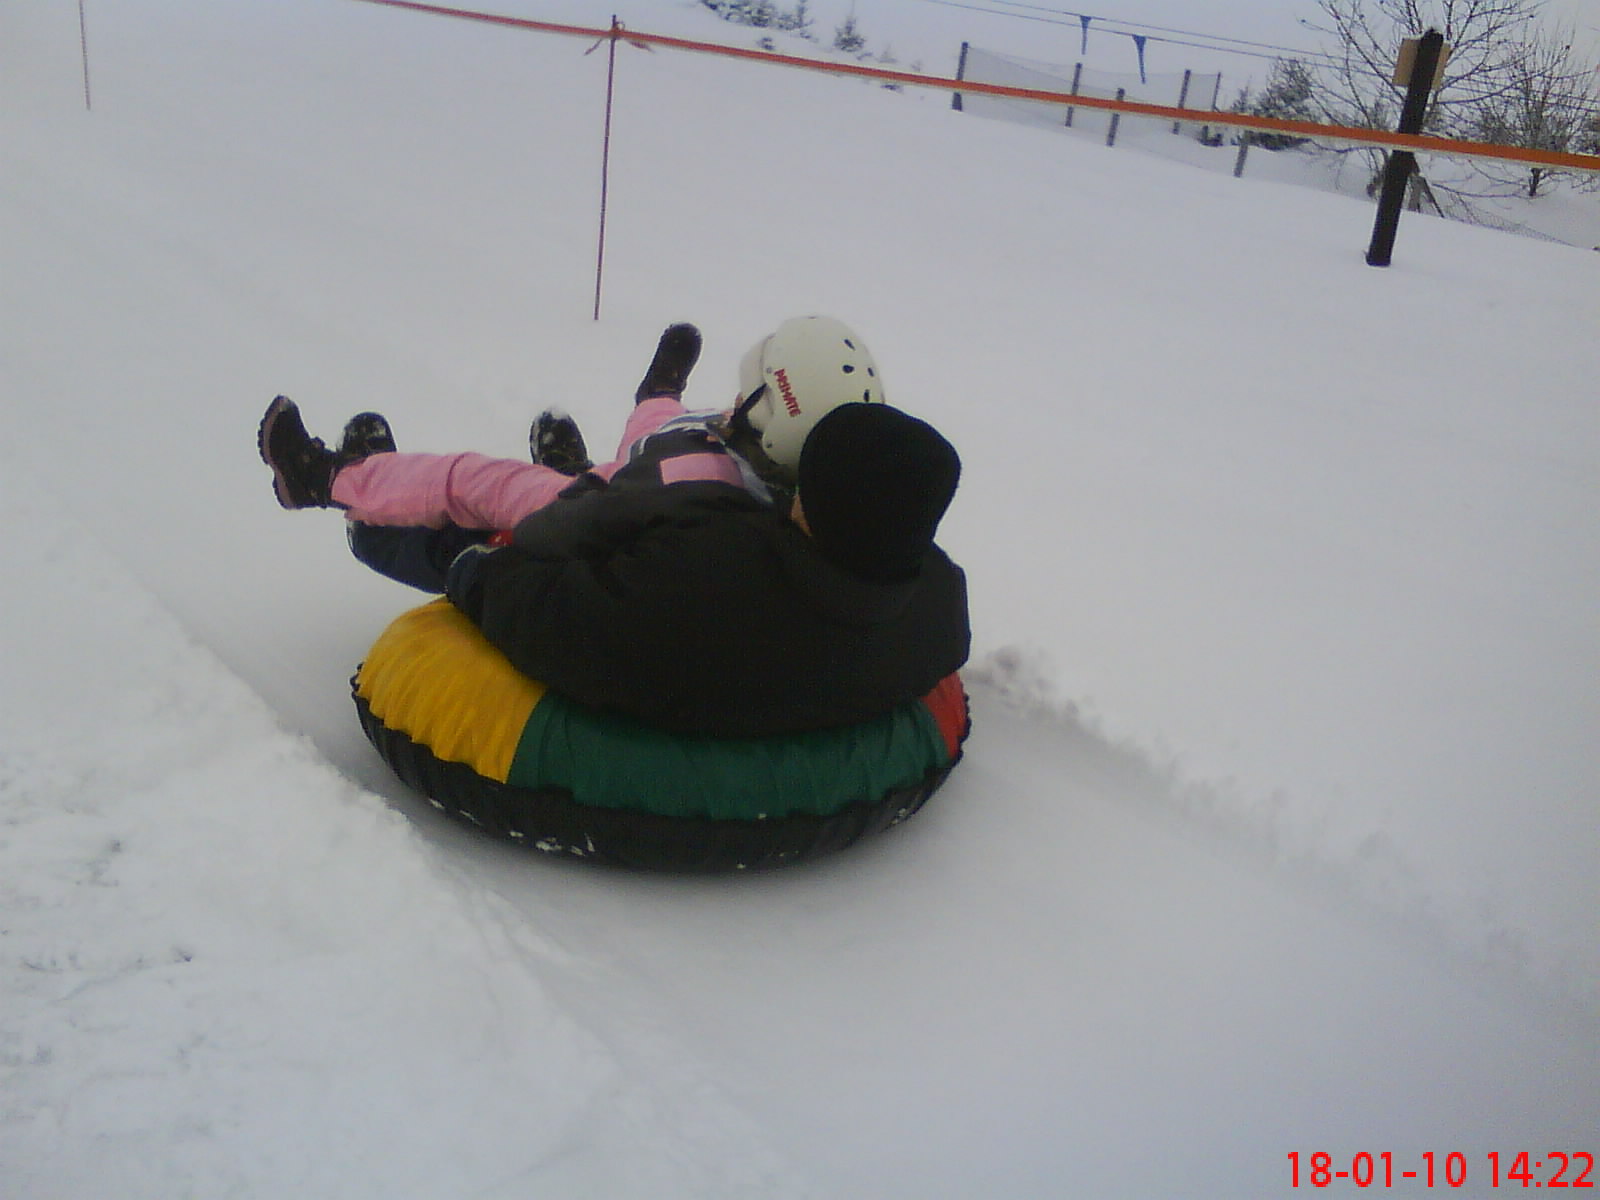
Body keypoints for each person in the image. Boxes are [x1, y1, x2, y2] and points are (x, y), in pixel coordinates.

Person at [260, 318, 969, 737]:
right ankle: (646, 404)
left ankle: (330, 480)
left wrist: (502, 548)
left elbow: (580, 544)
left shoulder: (703, 523)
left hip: (596, 511)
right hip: (642, 480)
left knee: (475, 483)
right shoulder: (890, 561)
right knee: (656, 432)